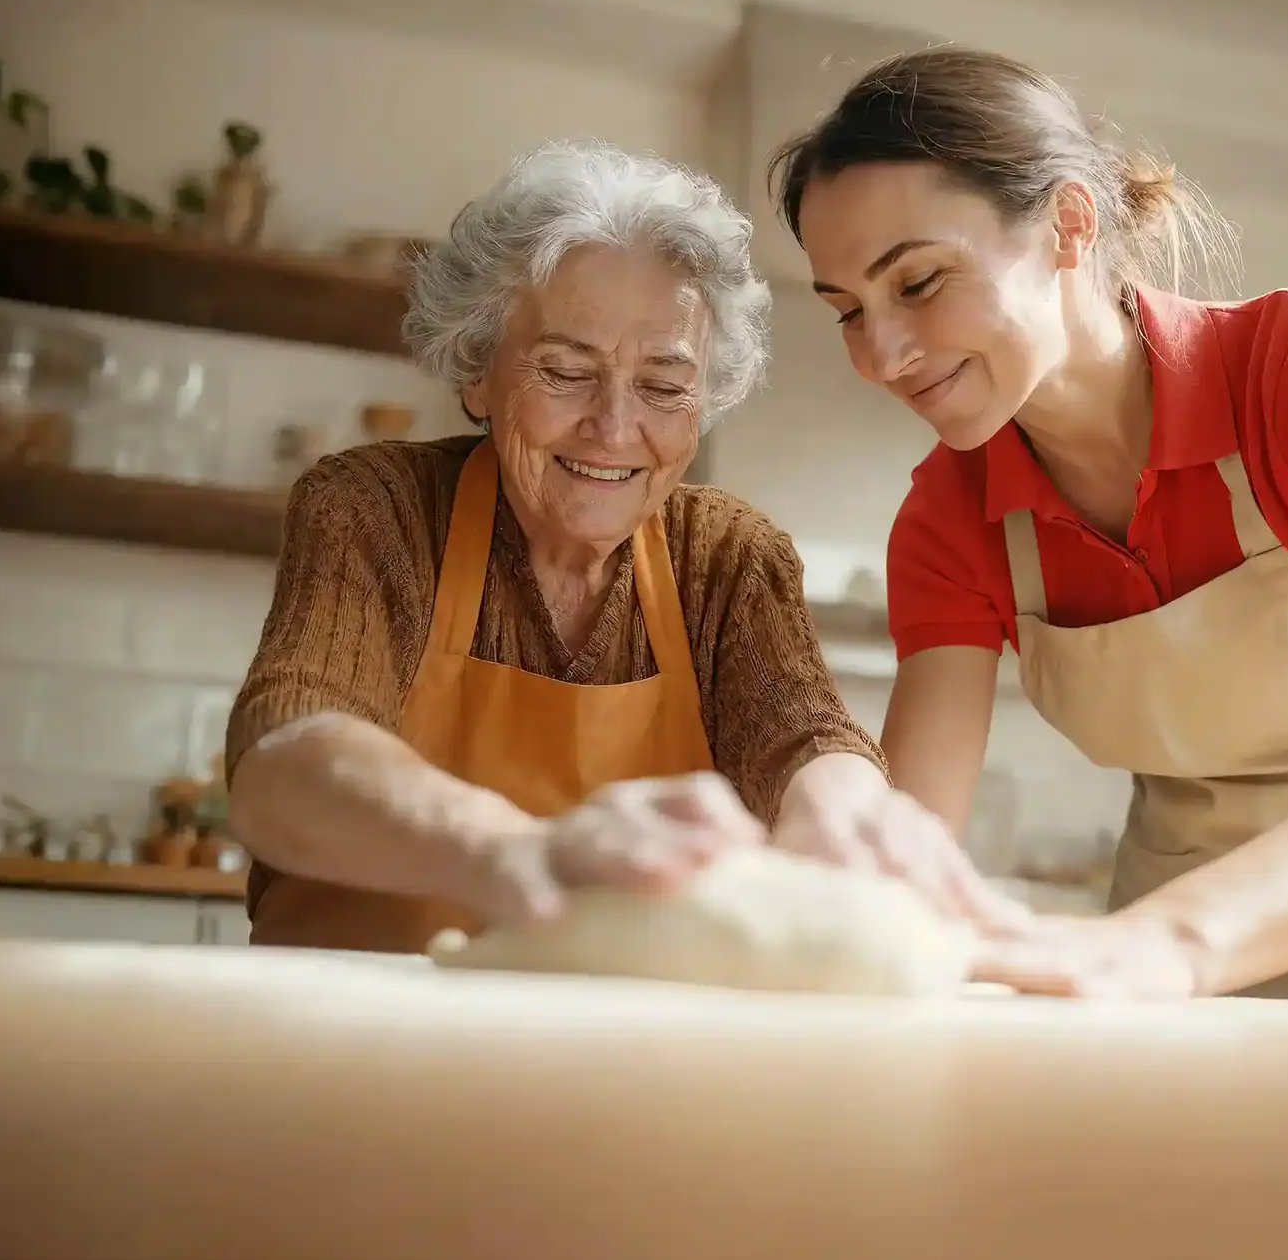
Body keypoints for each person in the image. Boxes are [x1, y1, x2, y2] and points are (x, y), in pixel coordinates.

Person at [772, 48, 1288, 1012]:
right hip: (1173, 957)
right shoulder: (946, 518)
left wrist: (1168, 945)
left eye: (917, 282)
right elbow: (906, 854)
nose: (882, 356)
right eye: (848, 312)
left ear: (1068, 223)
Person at [227, 140, 1019, 952]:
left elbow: (806, 741)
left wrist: (848, 812)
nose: (613, 429)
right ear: (476, 369)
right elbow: (285, 759)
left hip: (612, 1062)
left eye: (664, 386)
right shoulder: (377, 508)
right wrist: (520, 851)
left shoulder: (726, 555)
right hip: (353, 1044)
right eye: (566, 371)